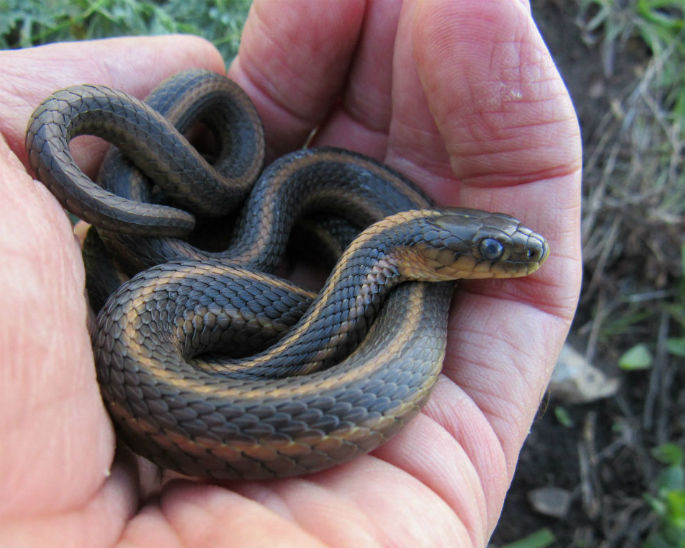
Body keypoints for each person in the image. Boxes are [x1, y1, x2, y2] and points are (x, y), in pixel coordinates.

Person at [0, 1, 582, 545]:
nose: (512, 259)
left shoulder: (393, 271)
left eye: (493, 249)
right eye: (490, 249)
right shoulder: (377, 256)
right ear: (433, 247)